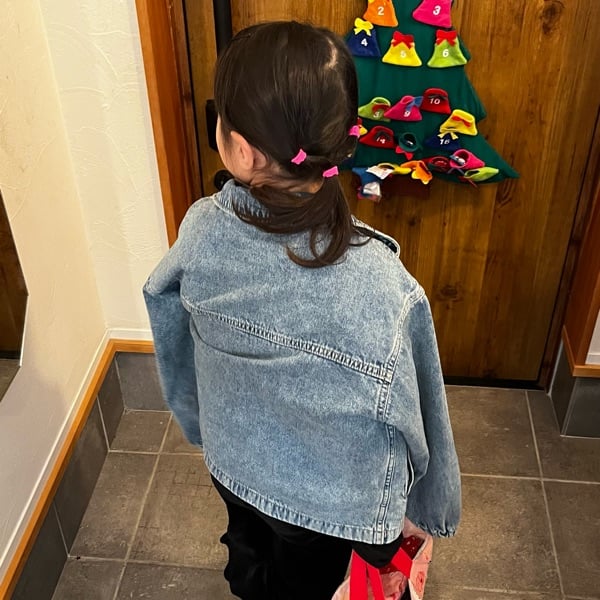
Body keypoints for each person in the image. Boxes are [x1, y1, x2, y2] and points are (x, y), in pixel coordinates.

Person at [144, 21, 460, 600]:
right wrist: (415, 517)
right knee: (304, 581)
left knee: (245, 542)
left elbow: (173, 338)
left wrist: (199, 425)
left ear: (241, 150)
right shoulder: (383, 286)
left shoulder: (201, 231)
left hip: (231, 460)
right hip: (321, 506)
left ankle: (246, 580)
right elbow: (419, 425)